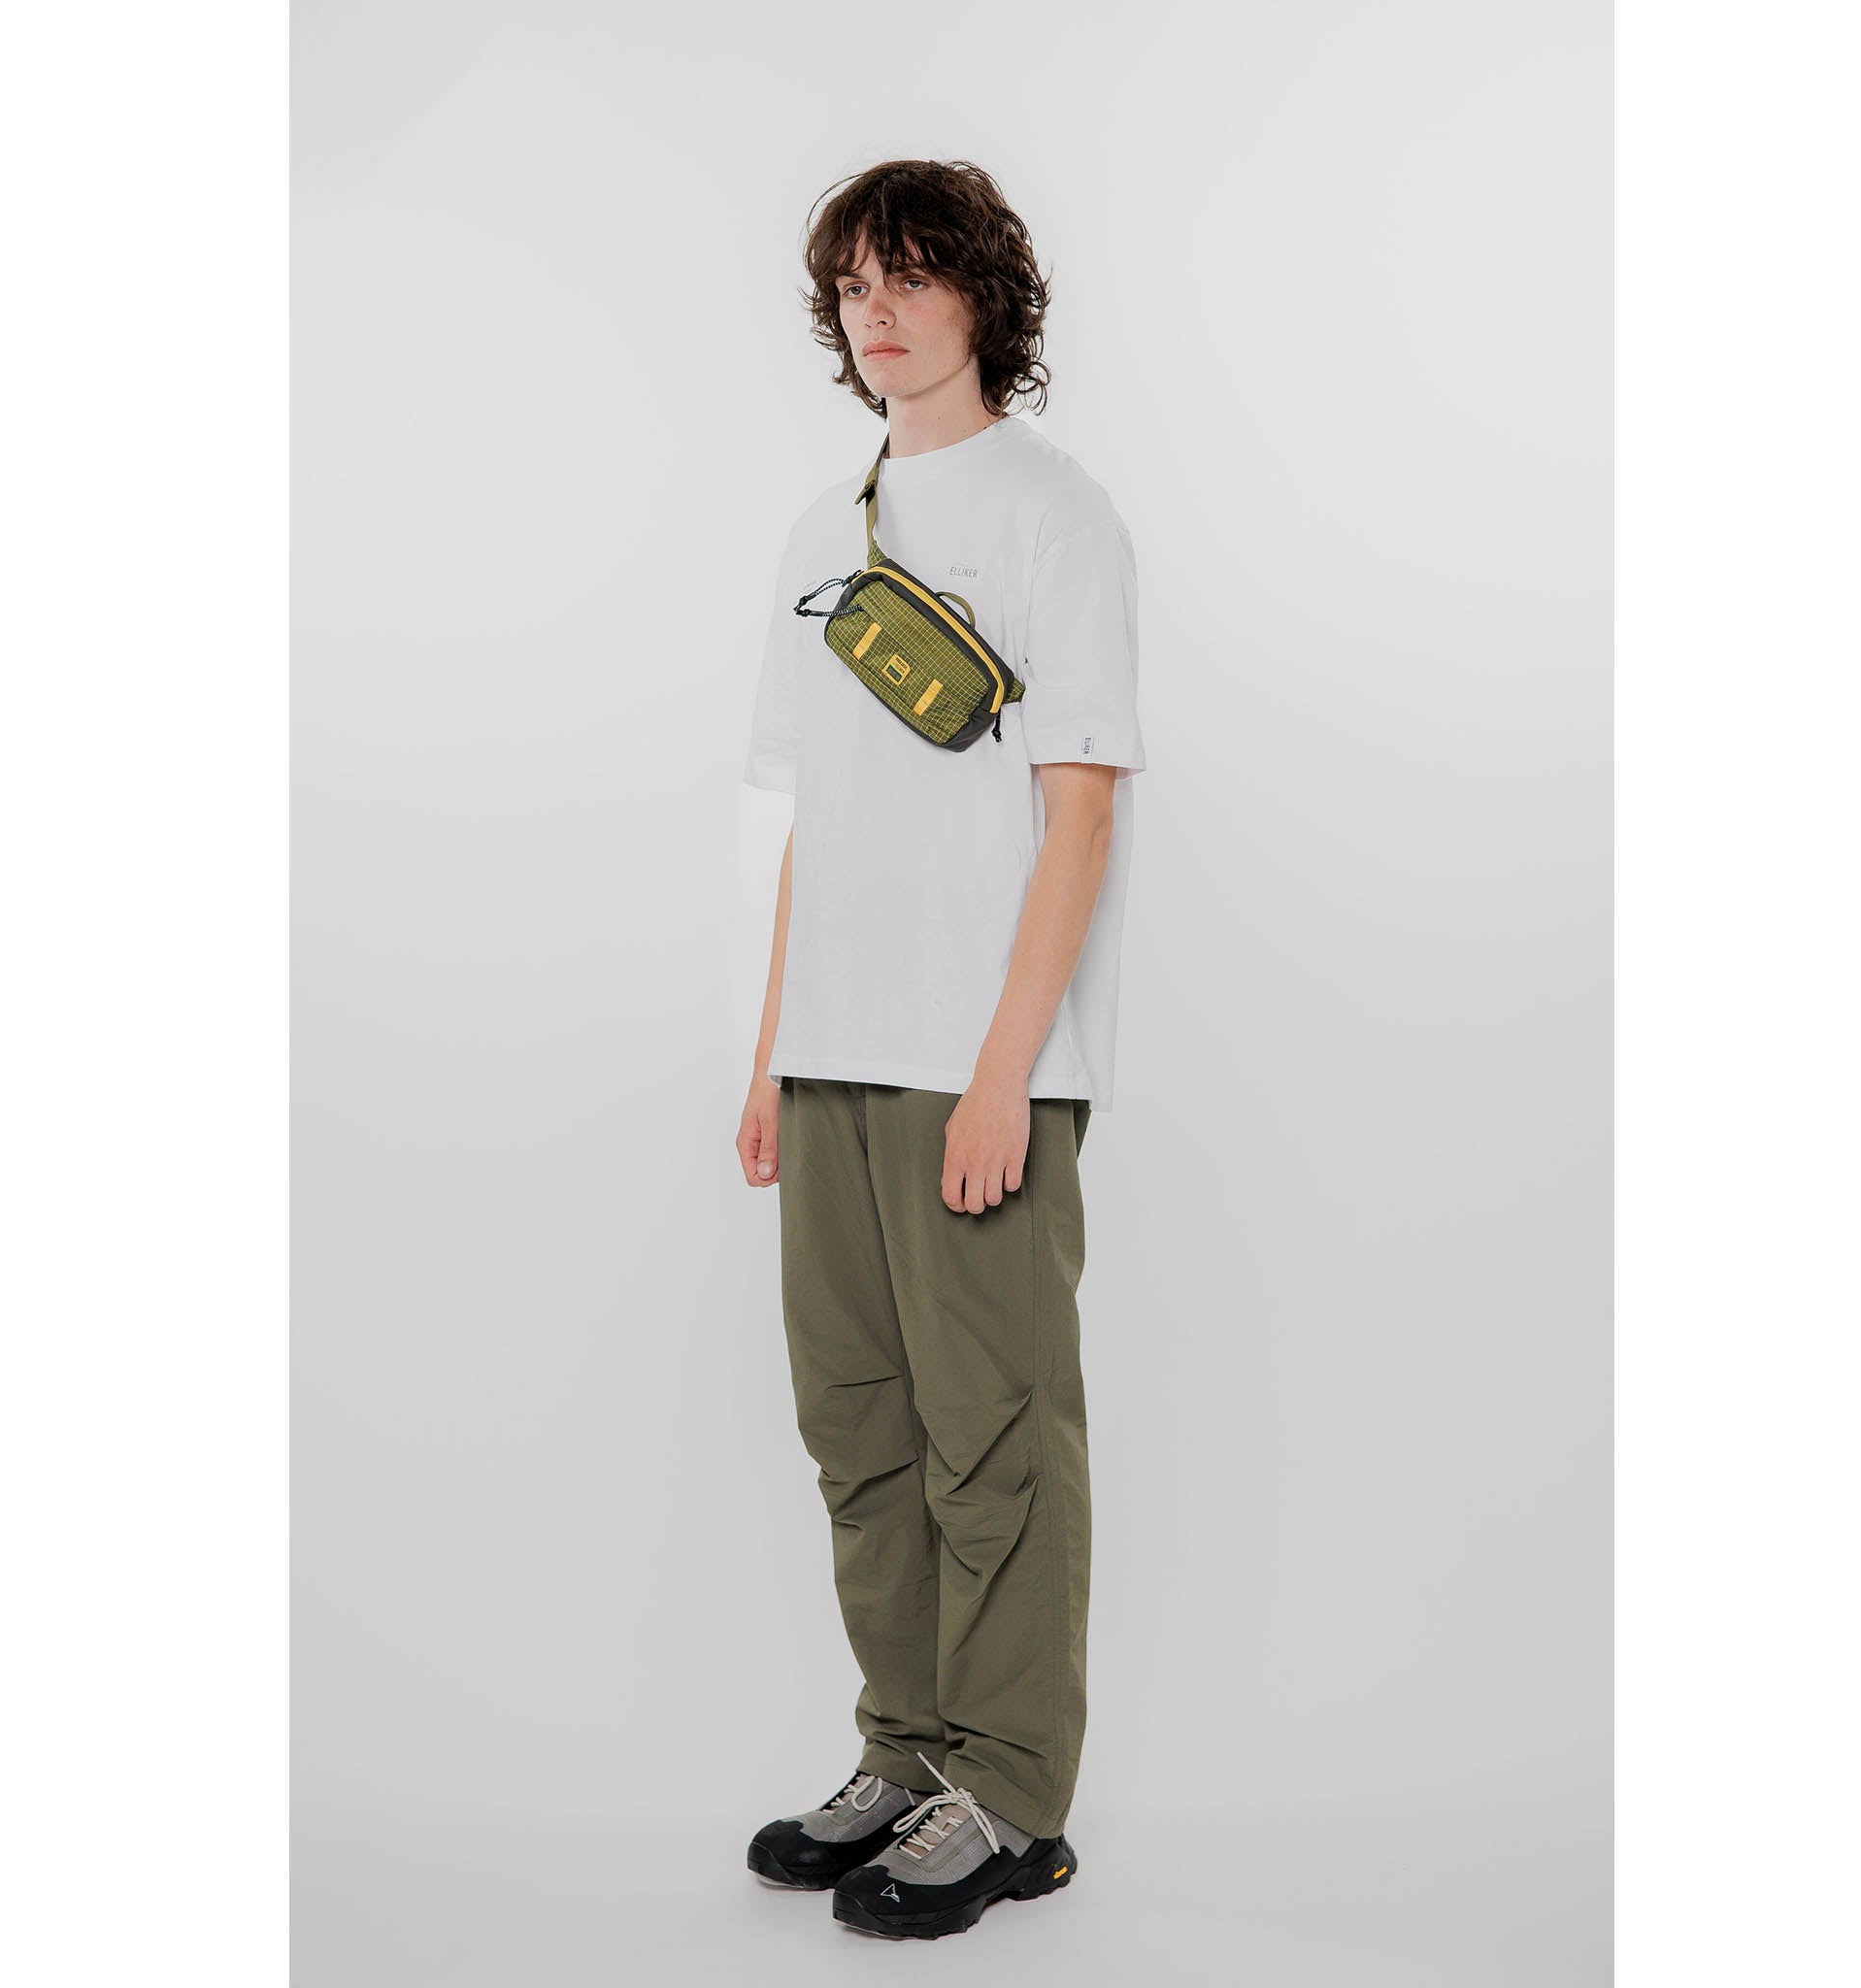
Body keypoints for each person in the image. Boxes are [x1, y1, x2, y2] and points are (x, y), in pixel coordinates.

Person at [734, 157, 1147, 1943]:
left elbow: (1080, 816)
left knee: (996, 1436)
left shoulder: (1059, 516)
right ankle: (904, 1751)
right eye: (852, 286)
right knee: (859, 1425)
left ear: (986, 295)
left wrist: (1006, 1074)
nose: (876, 313)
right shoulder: (822, 530)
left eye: (910, 276)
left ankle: (1013, 1794)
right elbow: (813, 825)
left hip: (981, 1064)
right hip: (837, 1051)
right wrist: (771, 1055)